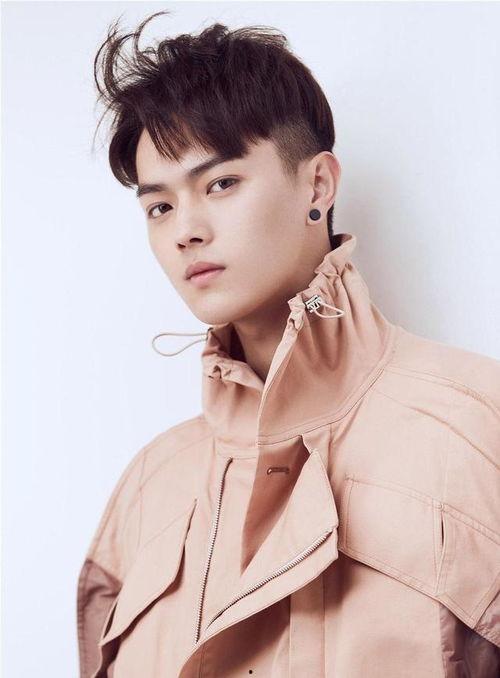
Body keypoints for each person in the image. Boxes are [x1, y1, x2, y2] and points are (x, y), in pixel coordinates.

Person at [77, 10, 500, 677]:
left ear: (318, 185)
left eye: (220, 184)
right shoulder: (147, 490)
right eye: (159, 206)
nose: (185, 230)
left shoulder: (479, 425)